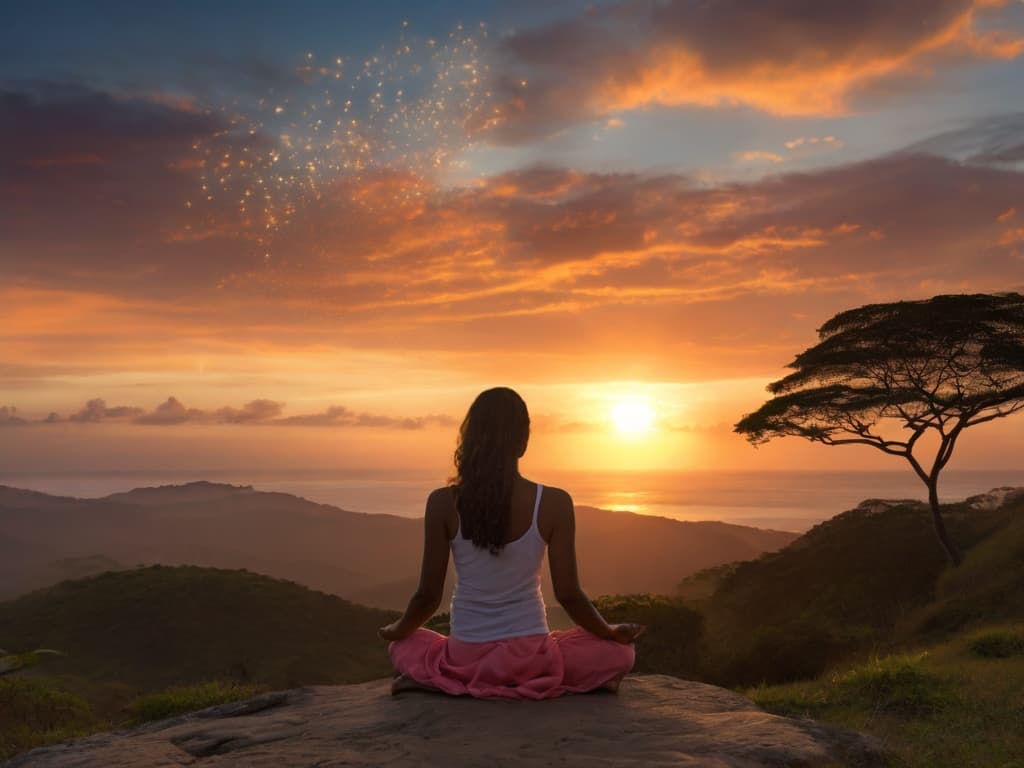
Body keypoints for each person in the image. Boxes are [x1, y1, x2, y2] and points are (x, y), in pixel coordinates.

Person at [378, 386, 645, 699]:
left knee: (404, 646)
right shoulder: (554, 503)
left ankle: (443, 679)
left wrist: (398, 630)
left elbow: (427, 596)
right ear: (523, 442)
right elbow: (569, 595)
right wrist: (609, 633)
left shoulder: (441, 503)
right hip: (532, 658)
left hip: (464, 656)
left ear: (470, 439)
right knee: (620, 654)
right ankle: (532, 682)